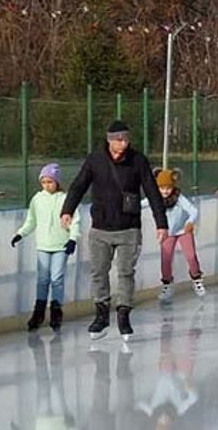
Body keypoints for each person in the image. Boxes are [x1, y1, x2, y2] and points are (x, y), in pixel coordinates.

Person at [61, 121, 168, 341]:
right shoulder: (95, 159)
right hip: (100, 228)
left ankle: (123, 314)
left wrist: (161, 223)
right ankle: (101, 315)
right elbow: (79, 184)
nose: (124, 143)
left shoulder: (138, 160)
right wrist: (67, 210)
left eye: (127, 139)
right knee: (98, 272)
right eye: (120, 139)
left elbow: (152, 190)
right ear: (110, 140)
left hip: (129, 228)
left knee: (126, 273)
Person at [12, 163, 81, 331]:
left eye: (50, 182)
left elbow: (75, 220)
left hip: (61, 245)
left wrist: (72, 239)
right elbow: (31, 221)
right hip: (43, 245)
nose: (47, 185)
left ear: (57, 182)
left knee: (56, 278)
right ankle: (39, 312)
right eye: (44, 182)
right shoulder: (37, 199)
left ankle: (56, 311)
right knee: (42, 279)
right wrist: (20, 234)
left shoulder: (66, 198)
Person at [147, 168, 205, 302]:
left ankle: (196, 279)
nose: (165, 191)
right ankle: (167, 284)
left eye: (168, 188)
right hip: (167, 232)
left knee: (190, 256)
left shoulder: (178, 198)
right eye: (162, 188)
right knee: (166, 259)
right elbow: (141, 204)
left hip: (183, 231)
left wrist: (190, 223)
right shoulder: (155, 198)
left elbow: (193, 211)